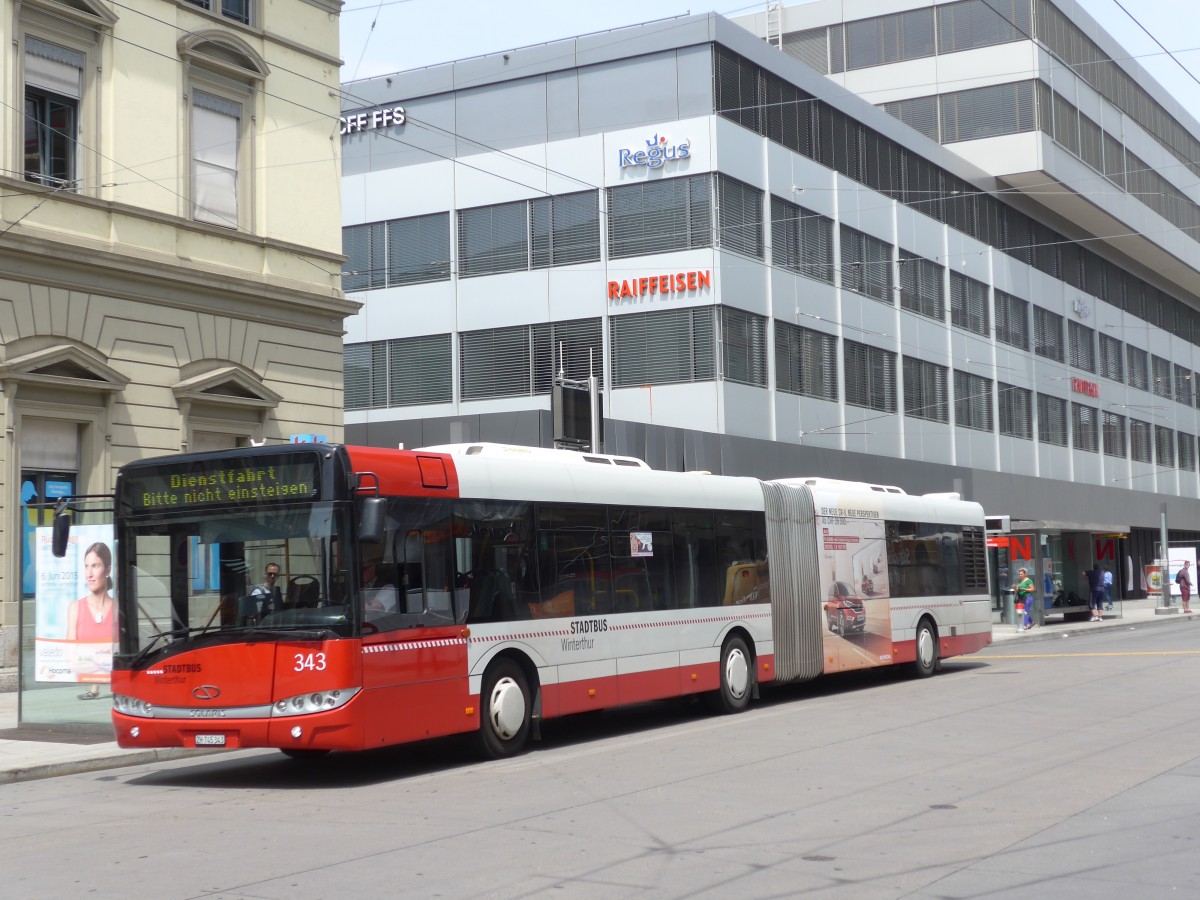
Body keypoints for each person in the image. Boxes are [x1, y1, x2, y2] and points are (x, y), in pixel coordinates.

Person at [66, 542, 116, 700]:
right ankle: (94, 688)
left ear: (107, 570)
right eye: (86, 566)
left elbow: (122, 652)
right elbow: (71, 654)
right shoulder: (76, 607)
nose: (89, 573)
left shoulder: (118, 608)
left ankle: (97, 688)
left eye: (95, 566)